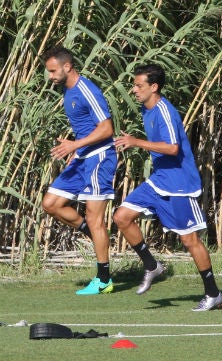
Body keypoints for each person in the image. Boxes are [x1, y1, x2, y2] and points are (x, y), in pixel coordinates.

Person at [112, 64, 222, 311]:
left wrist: (136, 141)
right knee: (121, 217)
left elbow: (173, 148)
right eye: (134, 84)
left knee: (189, 240)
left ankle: (213, 293)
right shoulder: (146, 108)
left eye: (139, 85)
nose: (134, 89)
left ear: (154, 87)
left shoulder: (164, 111)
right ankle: (152, 266)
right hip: (160, 179)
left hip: (179, 185)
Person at [42, 46, 117, 295]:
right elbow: (86, 126)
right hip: (82, 156)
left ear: (67, 66)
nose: (50, 76)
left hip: (99, 158)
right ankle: (92, 233)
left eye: (53, 71)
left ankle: (104, 279)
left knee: (96, 219)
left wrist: (76, 145)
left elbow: (107, 129)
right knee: (51, 203)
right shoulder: (67, 89)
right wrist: (76, 149)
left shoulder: (87, 90)